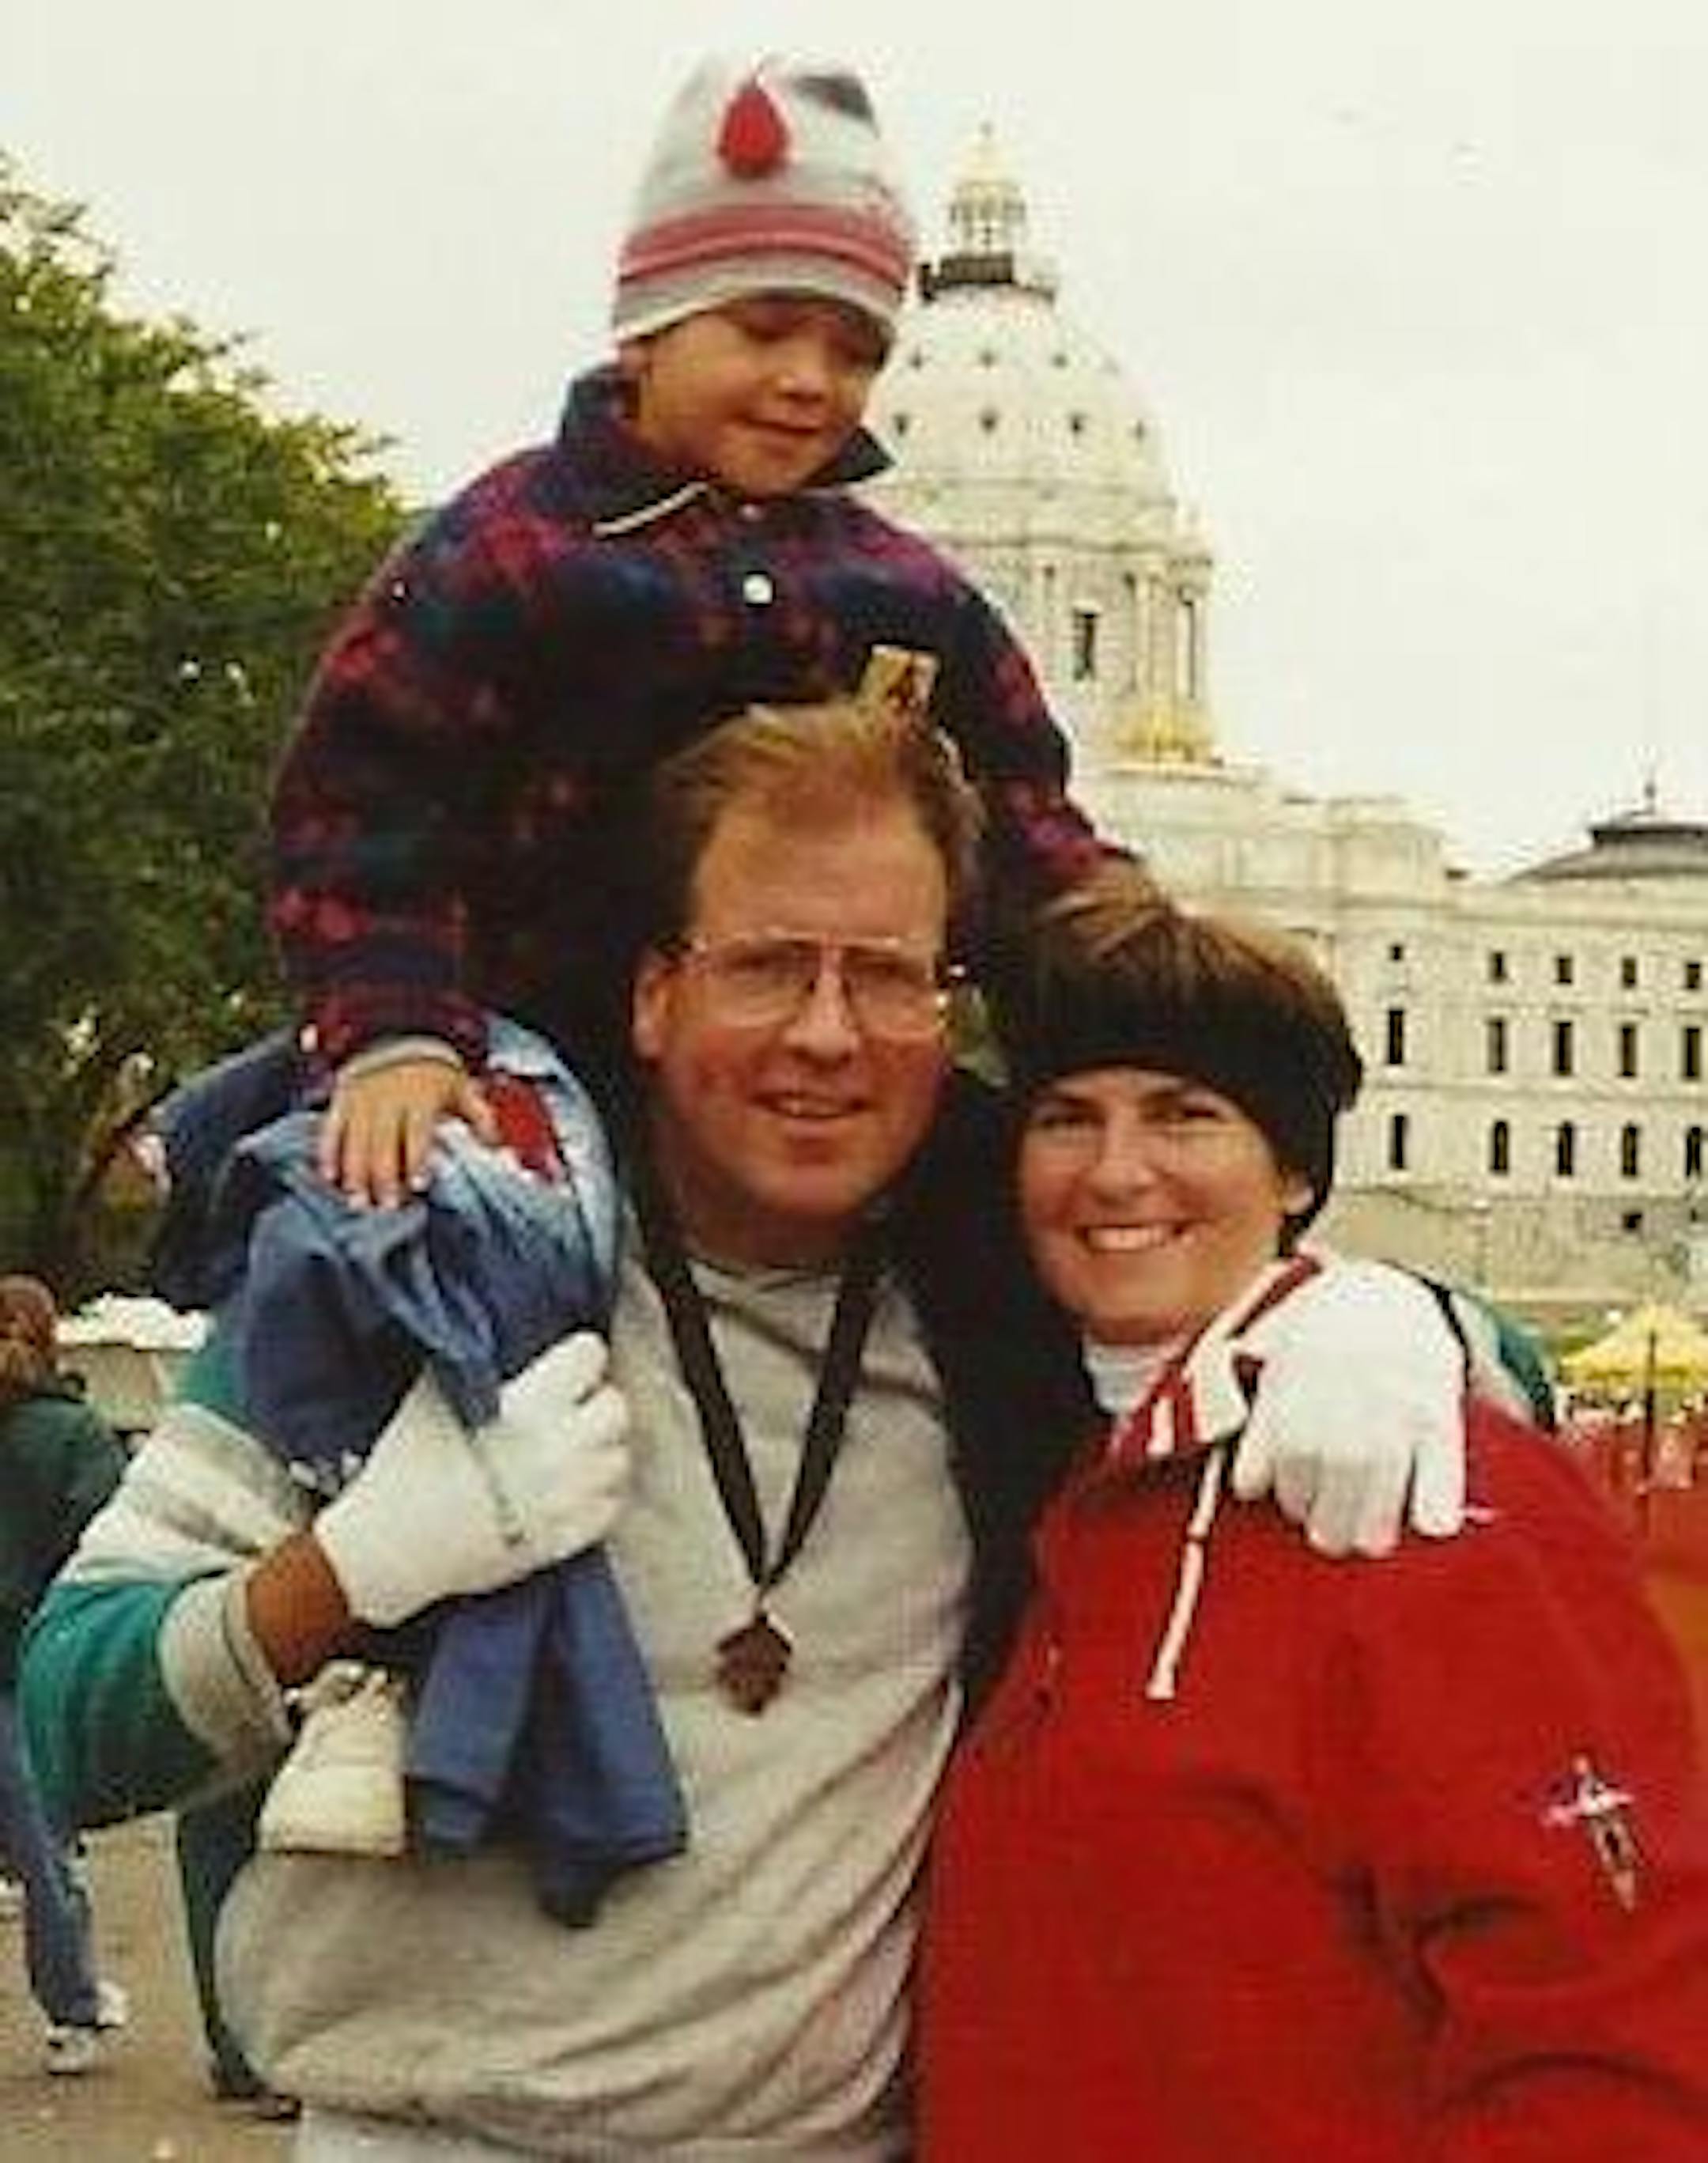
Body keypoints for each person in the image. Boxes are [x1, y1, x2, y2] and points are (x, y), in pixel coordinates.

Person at [28, 700, 1474, 2157]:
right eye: (770, 965)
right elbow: (65, 1730)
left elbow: (1409, 1385)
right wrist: (348, 1574)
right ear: (655, 992)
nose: (829, 1035)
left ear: (946, 1009)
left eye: (887, 977)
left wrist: (1374, 1315)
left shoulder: (1006, 1304)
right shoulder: (420, 1266)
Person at [917, 880, 1708, 2159]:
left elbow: (1606, 2036)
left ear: (1293, 1169)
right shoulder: (1075, 1481)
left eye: (1186, 1115)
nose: (1116, 1171)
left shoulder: (1455, 1498)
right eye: (1068, 1117)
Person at [268, 48, 1120, 1210]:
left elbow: (1033, 840)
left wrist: (1149, 980)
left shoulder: (911, 594)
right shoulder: (505, 552)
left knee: (997, 1234)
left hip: (817, 1089)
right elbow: (362, 813)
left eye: (858, 350)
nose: (812, 380)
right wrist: (399, 1028)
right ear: (644, 332)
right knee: (391, 1228)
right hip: (527, 1061)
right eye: (767, 330)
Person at [0, 1274, 130, 2076]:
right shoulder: (78, 1434)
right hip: (30, 1659)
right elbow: (107, 1542)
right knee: (47, 1851)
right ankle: (72, 2010)